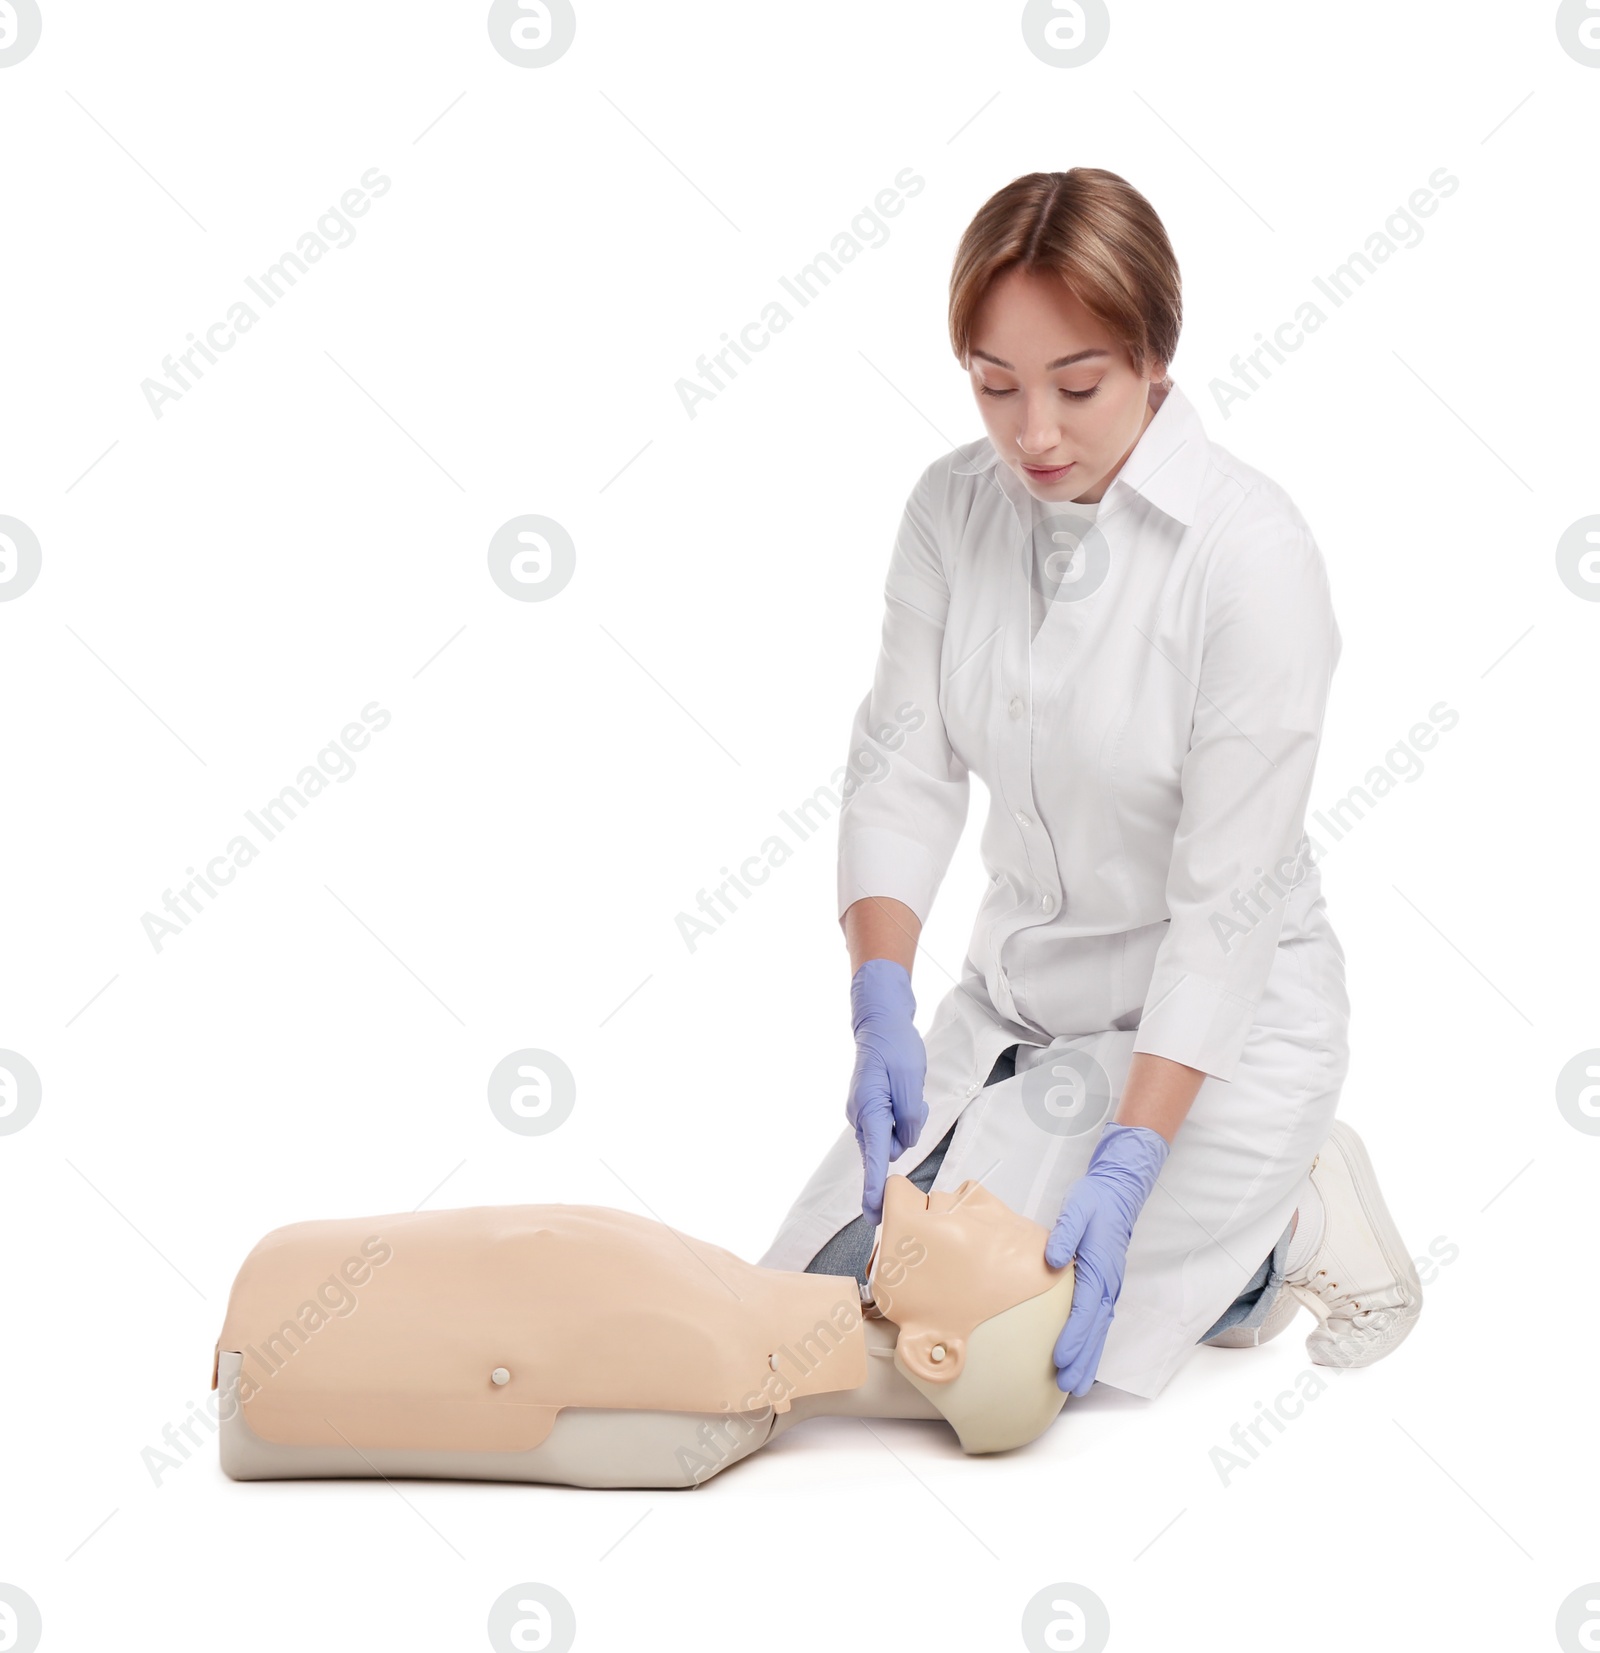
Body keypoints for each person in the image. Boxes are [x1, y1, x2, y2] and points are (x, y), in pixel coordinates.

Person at [758, 168, 1424, 1401]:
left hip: (1217, 1034)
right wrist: (881, 998)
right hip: (1017, 1010)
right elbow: (902, 767)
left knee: (974, 1369)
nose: (1034, 436)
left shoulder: (1248, 557)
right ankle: (1224, 1242)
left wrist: (1128, 1161)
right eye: (994, 385)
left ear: (1154, 358)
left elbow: (1227, 903)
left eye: (1077, 386)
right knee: (819, 1304)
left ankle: (1286, 1228)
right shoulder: (950, 509)